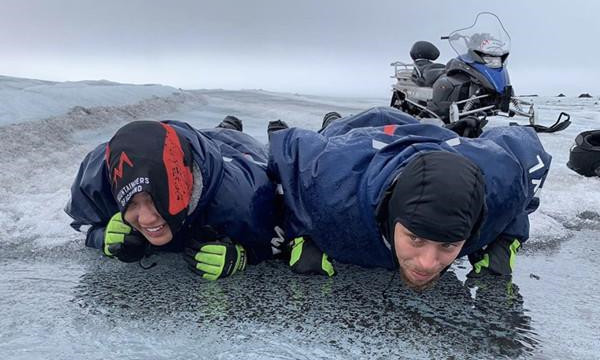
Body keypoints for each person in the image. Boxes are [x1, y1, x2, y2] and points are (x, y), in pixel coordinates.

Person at [267, 106, 551, 290]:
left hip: (437, 139)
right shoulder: (334, 188)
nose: (427, 264)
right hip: (360, 140)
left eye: (448, 244)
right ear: (391, 218)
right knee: (334, 129)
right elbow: (288, 149)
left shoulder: (499, 189)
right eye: (416, 238)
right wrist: (303, 232)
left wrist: (506, 240)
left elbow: (527, 148)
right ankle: (333, 120)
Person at [65, 117, 282, 280]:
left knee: (268, 154)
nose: (147, 219)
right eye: (131, 203)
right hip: (175, 142)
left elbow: (286, 235)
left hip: (238, 153)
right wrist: (101, 236)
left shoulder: (244, 201)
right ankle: (224, 127)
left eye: (156, 199)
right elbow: (82, 222)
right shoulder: (98, 178)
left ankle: (269, 134)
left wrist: (243, 256)